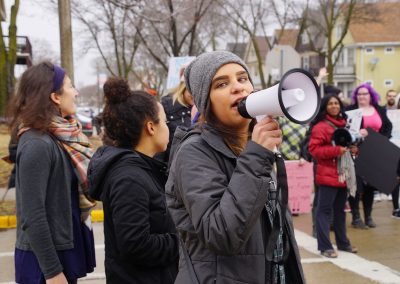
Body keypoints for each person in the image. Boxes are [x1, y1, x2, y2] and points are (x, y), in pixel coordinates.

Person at [166, 51, 304, 283]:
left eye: (242, 78)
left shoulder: (253, 146)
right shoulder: (194, 152)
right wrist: (258, 156)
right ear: (204, 100)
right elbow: (221, 234)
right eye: (221, 83)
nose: (238, 88)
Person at [9, 62, 96, 283]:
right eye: (70, 86)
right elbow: (32, 215)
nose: (76, 92)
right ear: (55, 97)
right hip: (44, 261)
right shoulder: (37, 144)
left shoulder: (59, 137)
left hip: (61, 247)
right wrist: (53, 272)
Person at [87, 78, 179, 283]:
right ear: (151, 127)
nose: (168, 128)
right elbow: (136, 245)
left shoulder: (141, 168)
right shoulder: (129, 178)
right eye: (164, 121)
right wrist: (182, 242)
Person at [308, 94, 357, 258]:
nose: (334, 106)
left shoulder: (346, 125)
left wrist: (354, 149)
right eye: (331, 103)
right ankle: (325, 246)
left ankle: (343, 244)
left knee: (340, 211)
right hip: (328, 175)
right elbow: (314, 150)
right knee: (324, 211)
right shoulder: (320, 127)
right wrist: (336, 150)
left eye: (337, 103)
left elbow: (350, 147)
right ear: (325, 107)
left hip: (343, 174)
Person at [346, 83, 392, 228]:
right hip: (356, 152)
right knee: (356, 185)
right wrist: (357, 134)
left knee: (371, 186)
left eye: (365, 94)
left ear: (371, 95)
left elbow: (388, 127)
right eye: (359, 94)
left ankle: (368, 216)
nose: (362, 96)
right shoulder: (350, 110)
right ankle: (356, 217)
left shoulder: (378, 109)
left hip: (374, 152)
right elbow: (344, 129)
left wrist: (380, 139)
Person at [158, 80, 194, 163]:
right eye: (191, 90)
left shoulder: (200, 110)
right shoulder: (166, 107)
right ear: (183, 88)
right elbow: (159, 141)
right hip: (170, 165)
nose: (194, 95)